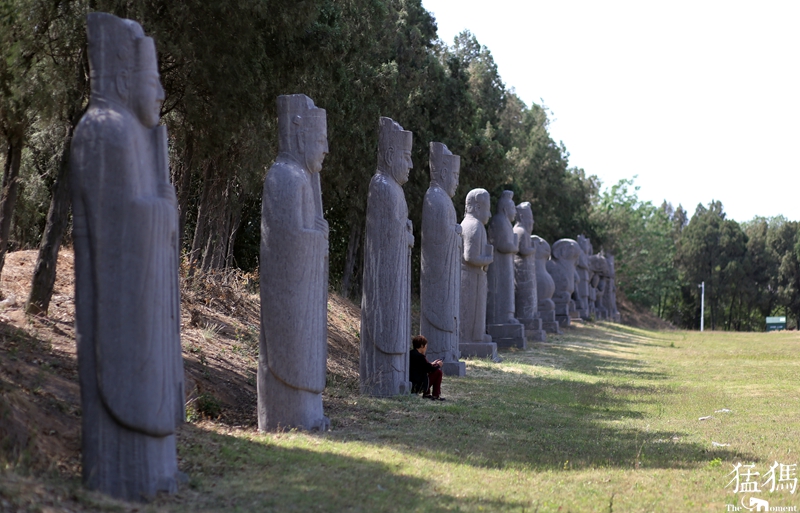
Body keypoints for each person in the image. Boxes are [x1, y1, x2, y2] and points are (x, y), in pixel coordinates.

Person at [409, 335, 445, 400]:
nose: (426, 348)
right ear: (422, 346)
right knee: (438, 372)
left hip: (412, 383)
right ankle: (435, 395)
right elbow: (430, 369)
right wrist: (438, 365)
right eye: (425, 346)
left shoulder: (411, 353)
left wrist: (432, 363)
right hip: (419, 385)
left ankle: (427, 394)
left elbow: (423, 366)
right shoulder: (420, 357)